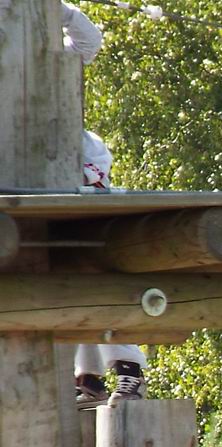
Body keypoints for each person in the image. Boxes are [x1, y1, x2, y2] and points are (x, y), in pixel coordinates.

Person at [62, 4, 148, 406]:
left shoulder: (42, 55)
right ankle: (87, 377)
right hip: (24, 185)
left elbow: (87, 42)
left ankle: (127, 369)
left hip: (72, 173)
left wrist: (57, 11)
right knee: (59, 276)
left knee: (92, 268)